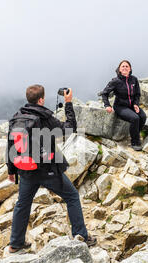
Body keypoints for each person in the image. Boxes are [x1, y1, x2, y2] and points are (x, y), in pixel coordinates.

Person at [6, 84, 97, 253]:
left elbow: (10, 144)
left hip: (26, 169)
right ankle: (81, 235)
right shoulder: (44, 117)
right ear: (41, 99)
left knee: (22, 204)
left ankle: (15, 244)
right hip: (48, 169)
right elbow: (69, 128)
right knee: (71, 196)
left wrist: (11, 170)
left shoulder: (16, 117)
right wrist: (68, 103)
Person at [100, 60, 147, 151]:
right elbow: (104, 93)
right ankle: (135, 142)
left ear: (130, 69)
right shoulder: (115, 81)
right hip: (120, 106)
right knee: (135, 118)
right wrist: (107, 105)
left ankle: (135, 133)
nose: (125, 68)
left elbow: (137, 94)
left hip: (132, 106)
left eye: (127, 66)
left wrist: (136, 104)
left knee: (143, 116)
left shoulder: (134, 79)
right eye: (123, 66)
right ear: (119, 69)